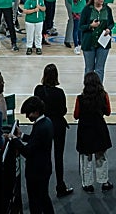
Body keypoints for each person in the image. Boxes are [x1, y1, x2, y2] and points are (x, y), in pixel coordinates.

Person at [33, 64, 74, 198]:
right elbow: (63, 111)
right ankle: (60, 185)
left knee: (42, 154)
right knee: (58, 156)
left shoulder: (38, 90)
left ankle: (39, 186)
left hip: (43, 124)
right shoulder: (59, 92)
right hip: (57, 125)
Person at [14, 96, 55, 214]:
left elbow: (28, 151)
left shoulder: (40, 127)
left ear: (36, 112)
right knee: (44, 198)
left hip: (36, 171)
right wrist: (21, 136)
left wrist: (14, 140)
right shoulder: (46, 122)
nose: (27, 117)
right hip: (44, 167)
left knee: (35, 200)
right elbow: (35, 141)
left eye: (28, 113)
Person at [73, 71, 113, 193]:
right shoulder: (104, 95)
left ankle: (87, 184)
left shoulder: (80, 98)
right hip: (99, 129)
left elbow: (76, 115)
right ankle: (104, 181)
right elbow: (108, 112)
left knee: (86, 158)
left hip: (85, 130)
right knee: (101, 156)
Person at [79, 0, 115, 80]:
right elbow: (81, 26)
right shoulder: (86, 10)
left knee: (100, 69)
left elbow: (111, 23)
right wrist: (91, 25)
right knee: (89, 69)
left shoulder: (107, 9)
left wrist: (108, 29)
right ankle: (88, 88)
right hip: (89, 43)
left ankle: (99, 89)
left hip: (103, 43)